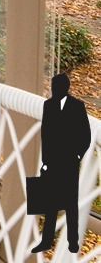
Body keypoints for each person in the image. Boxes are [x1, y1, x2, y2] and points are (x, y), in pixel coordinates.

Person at [33, 71, 91, 254]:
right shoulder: (48, 105)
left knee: (71, 204)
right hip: (53, 163)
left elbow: (86, 135)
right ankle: (46, 241)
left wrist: (77, 156)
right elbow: (46, 134)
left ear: (65, 88)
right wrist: (45, 161)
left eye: (56, 87)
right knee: (50, 204)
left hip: (69, 163)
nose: (53, 90)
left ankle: (72, 242)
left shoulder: (77, 106)